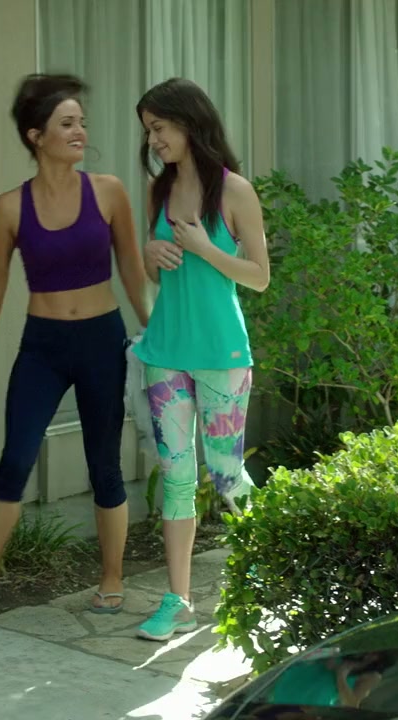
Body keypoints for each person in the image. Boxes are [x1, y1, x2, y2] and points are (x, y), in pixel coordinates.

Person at [0, 73, 150, 620]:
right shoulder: (9, 207)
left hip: (101, 340)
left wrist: (154, 329)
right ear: (37, 136)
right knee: (15, 458)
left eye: (81, 122)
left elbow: (131, 268)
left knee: (104, 465)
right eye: (67, 123)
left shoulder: (108, 192)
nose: (80, 131)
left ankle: (111, 577)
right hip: (43, 346)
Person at [129, 78, 270, 642]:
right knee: (176, 477)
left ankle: (269, 570)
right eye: (149, 131)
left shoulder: (235, 191)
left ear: (189, 123)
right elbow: (153, 273)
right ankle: (179, 600)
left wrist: (207, 249)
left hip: (221, 353)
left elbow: (259, 277)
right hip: (165, 351)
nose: (154, 140)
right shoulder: (157, 191)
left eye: (160, 128)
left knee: (228, 474)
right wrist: (150, 252)